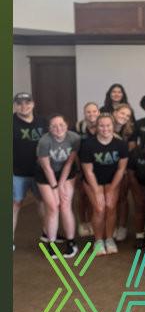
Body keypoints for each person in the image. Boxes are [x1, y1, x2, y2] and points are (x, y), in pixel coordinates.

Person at [79, 114, 129, 255]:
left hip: (112, 180)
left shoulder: (121, 144)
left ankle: (109, 239)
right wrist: (97, 191)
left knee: (110, 207)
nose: (105, 128)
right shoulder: (88, 144)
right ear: (96, 127)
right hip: (93, 181)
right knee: (100, 208)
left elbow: (121, 169)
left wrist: (110, 190)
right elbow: (88, 171)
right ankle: (98, 240)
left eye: (108, 125)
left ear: (113, 127)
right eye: (101, 125)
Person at [35, 114, 80, 258]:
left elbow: (69, 162)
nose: (58, 128)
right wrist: (55, 188)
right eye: (54, 126)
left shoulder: (74, 138)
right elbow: (46, 167)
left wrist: (61, 185)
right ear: (49, 128)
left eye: (61, 125)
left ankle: (71, 242)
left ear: (66, 125)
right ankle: (51, 243)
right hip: (46, 174)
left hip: (66, 173)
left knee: (66, 204)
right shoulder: (44, 141)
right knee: (53, 207)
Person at [13, 92, 47, 251]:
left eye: (27, 102)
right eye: (19, 103)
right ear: (15, 105)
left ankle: (47, 234)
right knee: (15, 204)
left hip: (40, 172)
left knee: (42, 202)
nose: (24, 106)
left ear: (33, 104)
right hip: (17, 172)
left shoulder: (42, 121)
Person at [75, 102, 100, 238]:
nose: (92, 114)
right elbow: (75, 149)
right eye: (88, 112)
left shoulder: (102, 125)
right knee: (82, 195)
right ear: (84, 114)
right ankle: (82, 222)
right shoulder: (79, 126)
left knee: (93, 198)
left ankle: (91, 222)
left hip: (97, 167)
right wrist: (78, 170)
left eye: (94, 111)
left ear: (99, 112)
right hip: (81, 166)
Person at [111, 103, 135, 242]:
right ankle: (111, 226)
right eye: (122, 113)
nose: (124, 117)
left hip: (123, 167)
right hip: (107, 168)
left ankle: (122, 226)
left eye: (127, 115)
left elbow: (128, 151)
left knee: (122, 198)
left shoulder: (129, 131)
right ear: (115, 112)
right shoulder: (105, 126)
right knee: (110, 200)